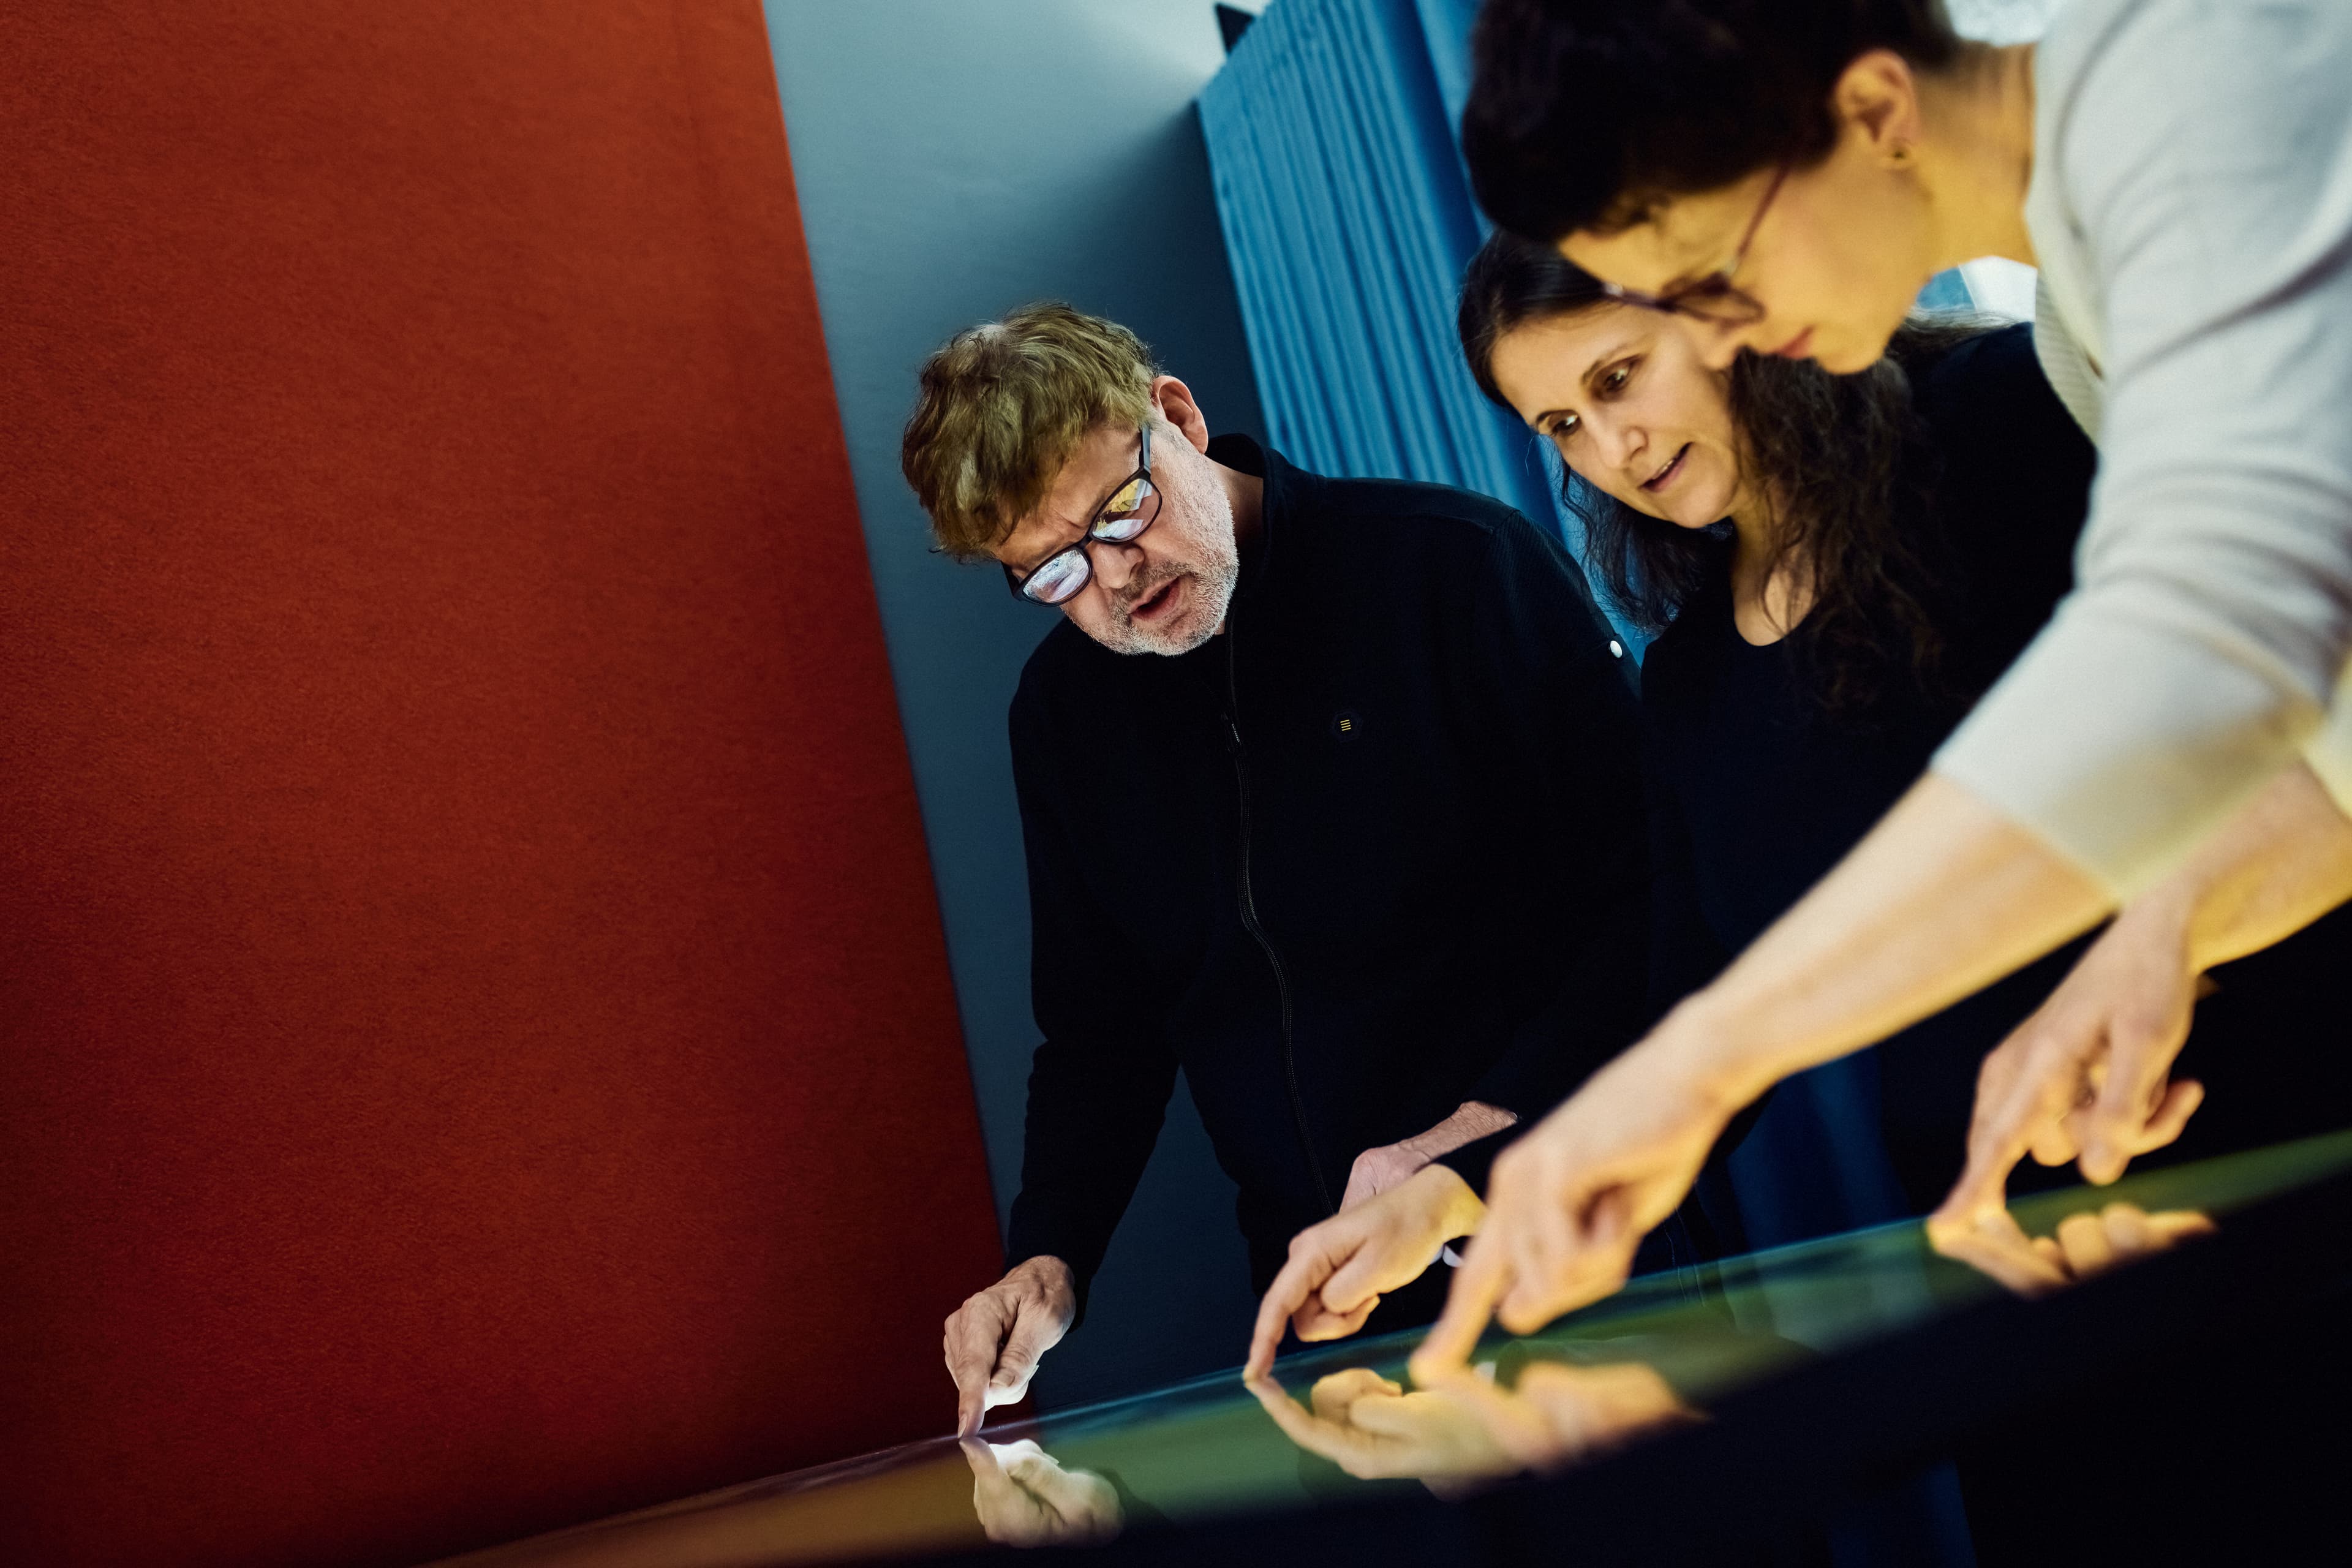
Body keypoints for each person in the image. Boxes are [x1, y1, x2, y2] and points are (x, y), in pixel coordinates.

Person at [1412, 0, 2352, 1365]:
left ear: (1872, 115)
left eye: (1710, 270)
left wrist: (1706, 1061)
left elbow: (2206, 640)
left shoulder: (2191, 96)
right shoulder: (2091, 296)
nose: (1724, 331)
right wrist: (2174, 923)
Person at [902, 303, 1651, 1435]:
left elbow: (1652, 909)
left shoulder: (1456, 567)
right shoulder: (1062, 717)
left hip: (1577, 1244)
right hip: (1321, 1317)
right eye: (1052, 573)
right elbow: (1101, 1033)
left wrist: (1478, 1141)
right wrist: (1051, 1255)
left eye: (1123, 511)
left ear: (1180, 417)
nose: (1113, 580)